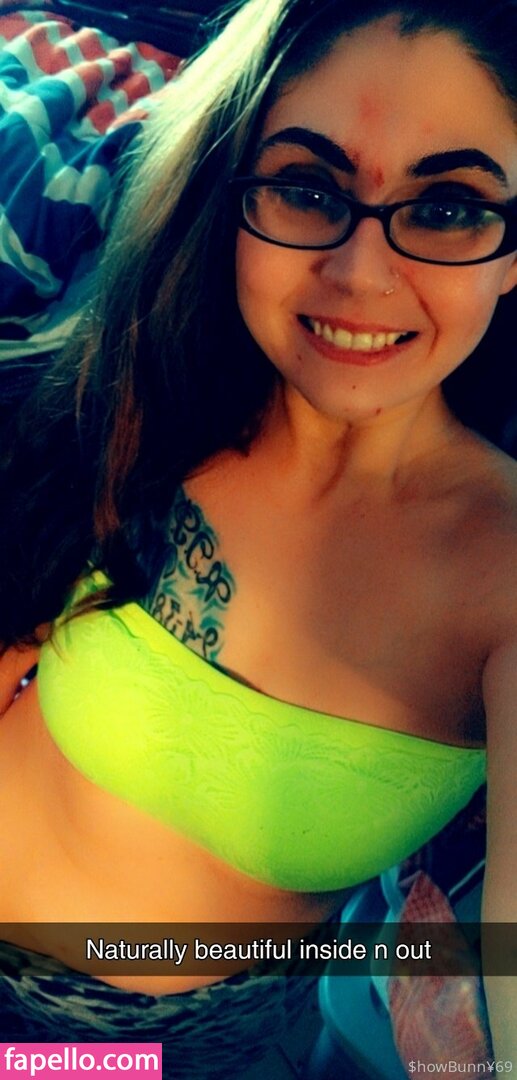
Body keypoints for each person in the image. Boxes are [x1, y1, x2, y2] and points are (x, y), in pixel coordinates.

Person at [0, 0, 516, 1073]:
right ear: (231, 197)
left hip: (134, 1044)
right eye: (307, 188)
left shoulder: (501, 571)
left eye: (449, 207)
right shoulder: (148, 386)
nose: (361, 275)